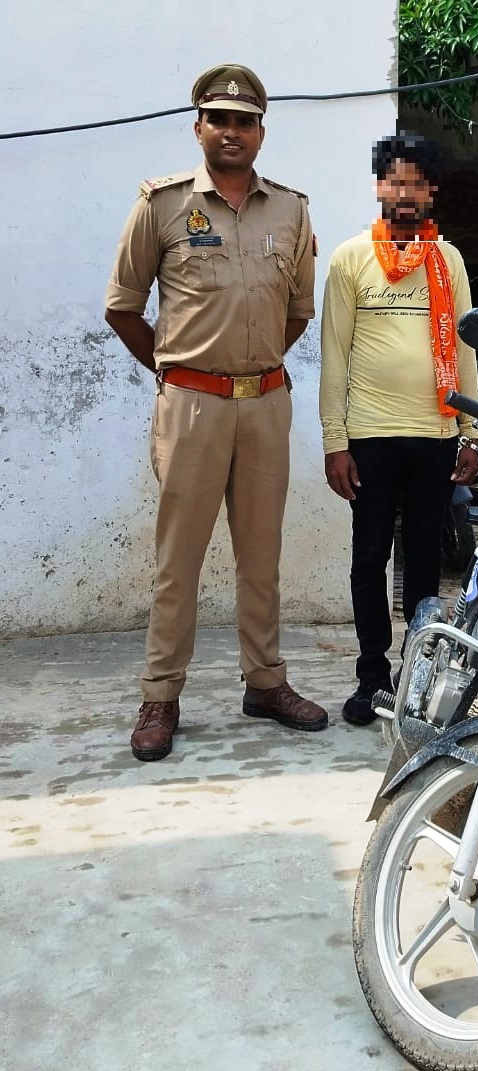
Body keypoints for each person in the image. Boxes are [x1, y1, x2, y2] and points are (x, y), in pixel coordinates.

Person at [105, 63, 328, 762]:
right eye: (220, 119)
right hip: (192, 408)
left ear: (261, 131)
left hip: (265, 404)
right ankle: (160, 695)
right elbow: (122, 307)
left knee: (262, 556)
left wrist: (251, 365)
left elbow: (297, 311)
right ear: (198, 127)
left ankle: (265, 682)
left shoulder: (291, 210)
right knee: (178, 559)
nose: (233, 132)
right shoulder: (162, 206)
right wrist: (179, 371)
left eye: (245, 121)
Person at [319, 132, 478, 725]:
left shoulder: (448, 260)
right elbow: (334, 355)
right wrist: (335, 441)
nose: (406, 194)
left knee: (423, 558)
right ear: (379, 187)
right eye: (396, 181)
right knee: (369, 555)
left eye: (417, 183)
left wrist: (472, 432)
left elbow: (464, 349)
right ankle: (371, 677)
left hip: (435, 434)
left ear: (431, 190)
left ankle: (417, 676)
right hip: (369, 435)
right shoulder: (350, 259)